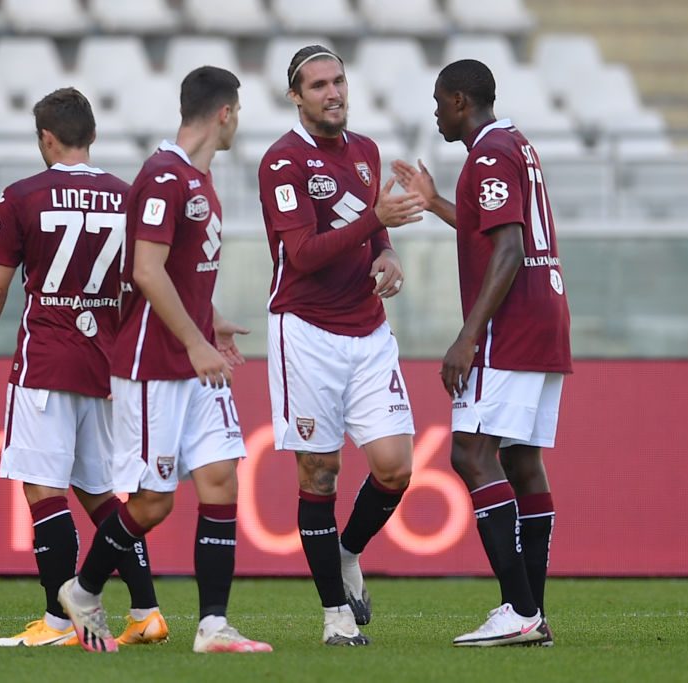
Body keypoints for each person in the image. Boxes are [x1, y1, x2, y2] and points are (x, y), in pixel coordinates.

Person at [56, 66, 272, 655]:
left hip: (193, 360)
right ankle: (83, 590)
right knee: (154, 503)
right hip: (154, 365)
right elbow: (147, 271)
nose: (237, 123)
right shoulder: (163, 176)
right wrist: (196, 342)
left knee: (221, 479)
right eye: (238, 113)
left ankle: (213, 626)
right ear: (225, 113)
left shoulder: (199, 178)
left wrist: (210, 320)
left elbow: (181, 273)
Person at [0, 88, 167, 648]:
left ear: (45, 138)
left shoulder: (22, 196)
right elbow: (150, 281)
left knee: (44, 492)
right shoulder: (129, 198)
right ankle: (146, 611)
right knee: (100, 494)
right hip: (107, 367)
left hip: (47, 363)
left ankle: (58, 622)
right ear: (92, 135)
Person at [391, 59, 572, 647]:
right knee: (520, 459)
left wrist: (468, 335)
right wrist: (435, 202)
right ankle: (533, 615)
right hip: (546, 316)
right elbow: (491, 231)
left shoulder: (489, 155)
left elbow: (509, 249)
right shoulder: (514, 145)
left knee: (470, 453)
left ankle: (519, 609)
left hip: (510, 325)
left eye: (439, 102)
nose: (435, 113)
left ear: (461, 102)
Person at [256, 45, 426, 646]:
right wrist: (375, 221)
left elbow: (372, 231)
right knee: (320, 471)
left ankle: (347, 551)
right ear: (295, 97)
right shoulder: (282, 162)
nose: (333, 93)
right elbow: (302, 254)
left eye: (338, 81)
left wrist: (387, 253)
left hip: (368, 329)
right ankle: (335, 616)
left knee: (395, 467)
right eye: (318, 85)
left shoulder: (365, 152)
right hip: (306, 332)